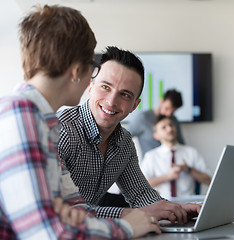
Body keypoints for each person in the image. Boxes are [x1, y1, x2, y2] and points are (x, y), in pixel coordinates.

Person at [0, 5, 160, 239]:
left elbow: (76, 209)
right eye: (92, 68)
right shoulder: (21, 115)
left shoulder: (44, 124)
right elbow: (48, 233)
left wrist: (73, 219)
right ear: (78, 71)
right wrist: (128, 226)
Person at [58, 46, 200, 223]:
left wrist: (174, 209)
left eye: (125, 94)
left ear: (134, 105)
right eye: (105, 87)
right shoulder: (61, 131)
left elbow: (141, 195)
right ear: (90, 87)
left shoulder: (124, 142)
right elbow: (58, 209)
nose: (111, 101)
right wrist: (130, 214)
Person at [141, 115, 211, 199]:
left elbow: (209, 181)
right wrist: (167, 176)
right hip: (162, 205)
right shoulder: (150, 156)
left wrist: (188, 169)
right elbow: (141, 186)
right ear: (156, 135)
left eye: (171, 125)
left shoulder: (191, 152)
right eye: (164, 127)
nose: (169, 129)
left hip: (188, 204)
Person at [126, 89, 185, 157]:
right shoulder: (143, 118)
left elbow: (181, 145)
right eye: (167, 108)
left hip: (172, 163)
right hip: (150, 165)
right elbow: (124, 137)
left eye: (172, 112)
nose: (168, 114)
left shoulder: (174, 120)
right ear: (161, 101)